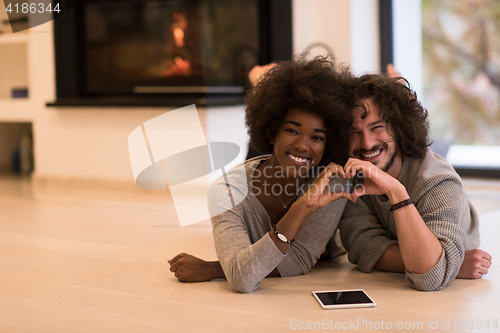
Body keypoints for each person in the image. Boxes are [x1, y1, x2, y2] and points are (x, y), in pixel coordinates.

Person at [169, 57, 354, 292]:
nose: (302, 146)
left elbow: (298, 260)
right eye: (291, 130)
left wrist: (217, 268)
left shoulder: (331, 182)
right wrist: (302, 207)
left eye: (317, 137)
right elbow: (244, 280)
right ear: (270, 132)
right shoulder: (226, 192)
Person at [339, 73, 492, 291]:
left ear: (399, 127)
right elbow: (362, 247)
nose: (367, 143)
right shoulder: (352, 175)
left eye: (377, 127)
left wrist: (395, 190)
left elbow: (429, 278)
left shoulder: (437, 180)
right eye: (354, 132)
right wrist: (447, 264)